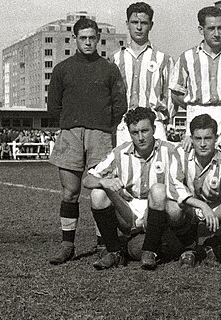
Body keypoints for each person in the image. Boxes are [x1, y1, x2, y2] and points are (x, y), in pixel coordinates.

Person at [47, 17, 127, 265]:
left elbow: (120, 104)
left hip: (100, 135)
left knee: (100, 190)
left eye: (92, 38)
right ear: (75, 40)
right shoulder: (62, 68)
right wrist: (71, 122)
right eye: (83, 38)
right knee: (70, 192)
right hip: (70, 134)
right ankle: (67, 245)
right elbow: (53, 107)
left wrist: (103, 126)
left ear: (98, 39)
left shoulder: (108, 68)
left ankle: (104, 244)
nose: (88, 42)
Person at [82, 107, 195, 270]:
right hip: (129, 212)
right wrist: (103, 182)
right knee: (98, 193)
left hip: (157, 209)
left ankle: (149, 252)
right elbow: (87, 179)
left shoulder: (170, 151)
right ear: (129, 133)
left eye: (144, 131)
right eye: (135, 132)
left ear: (154, 129)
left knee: (158, 190)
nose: (140, 137)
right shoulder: (120, 153)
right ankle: (114, 252)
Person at [170, 6, 221, 156]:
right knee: (194, 170)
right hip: (197, 118)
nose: (216, 33)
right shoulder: (187, 58)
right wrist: (195, 106)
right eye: (211, 28)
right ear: (201, 30)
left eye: (220, 28)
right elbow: (176, 94)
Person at [177, 114, 221, 275]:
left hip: (214, 209)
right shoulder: (181, 155)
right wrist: (202, 206)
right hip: (190, 206)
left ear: (216, 138)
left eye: (208, 138)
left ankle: (215, 242)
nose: (202, 144)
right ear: (191, 138)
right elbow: (174, 186)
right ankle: (188, 248)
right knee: (173, 207)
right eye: (198, 138)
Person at [113, 2, 174, 145]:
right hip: (124, 126)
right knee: (126, 165)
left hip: (154, 124)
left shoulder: (163, 59)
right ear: (127, 24)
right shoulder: (115, 59)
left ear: (151, 25)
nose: (139, 27)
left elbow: (170, 96)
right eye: (134, 22)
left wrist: (165, 120)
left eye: (144, 23)